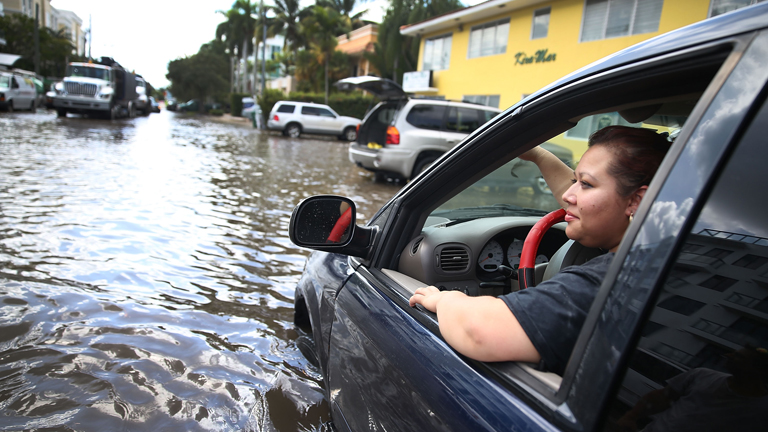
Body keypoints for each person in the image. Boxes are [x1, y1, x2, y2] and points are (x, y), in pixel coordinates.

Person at [409, 126, 671, 374]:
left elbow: (476, 332)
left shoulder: (608, 282)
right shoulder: (667, 257)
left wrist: (444, 299)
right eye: (574, 180)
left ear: (637, 200)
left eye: (586, 184)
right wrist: (536, 155)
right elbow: (593, 205)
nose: (569, 194)